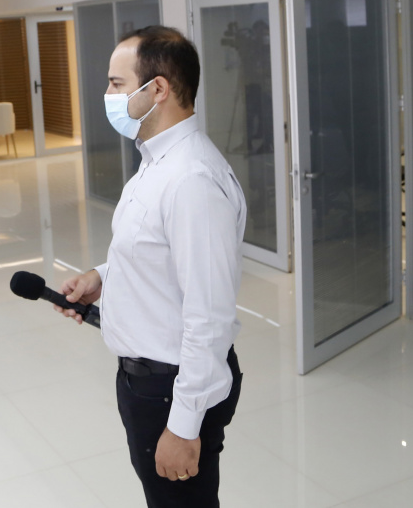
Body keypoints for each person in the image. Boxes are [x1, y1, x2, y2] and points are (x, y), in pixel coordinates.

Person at [54, 26, 246, 508]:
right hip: (147, 381)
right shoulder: (157, 161)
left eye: (116, 84)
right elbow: (152, 251)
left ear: (157, 89)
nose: (107, 95)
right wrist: (104, 277)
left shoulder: (191, 181)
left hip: (173, 389)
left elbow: (210, 316)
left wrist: (183, 427)